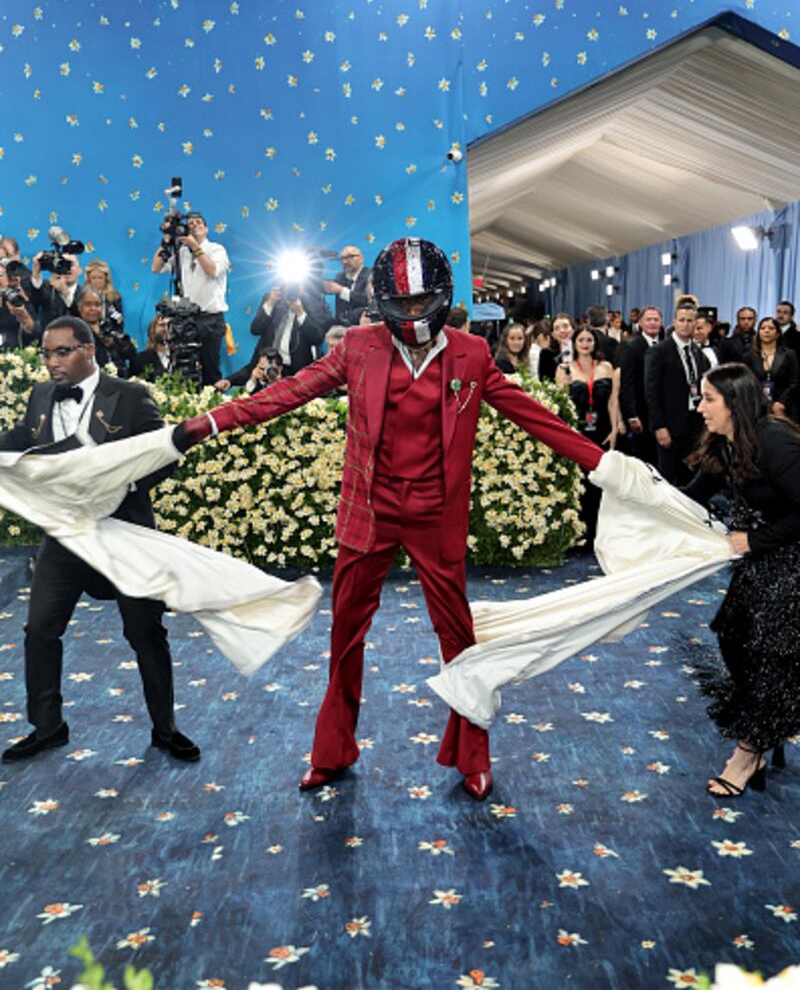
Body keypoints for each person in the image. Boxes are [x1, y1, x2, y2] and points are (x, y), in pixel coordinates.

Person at [174, 238, 603, 801]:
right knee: (345, 636)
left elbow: (532, 416)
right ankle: (331, 752)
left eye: (422, 301)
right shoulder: (358, 346)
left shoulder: (472, 353)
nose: (413, 313)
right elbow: (289, 392)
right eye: (402, 303)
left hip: (435, 513)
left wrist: (607, 466)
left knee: (458, 638)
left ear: (442, 297)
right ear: (383, 301)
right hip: (369, 510)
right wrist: (211, 421)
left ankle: (473, 754)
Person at [0, 316, 199, 765]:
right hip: (66, 535)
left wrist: (121, 484)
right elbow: (22, 439)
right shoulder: (40, 396)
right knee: (39, 631)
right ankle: (47, 727)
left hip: (124, 534)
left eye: (62, 352)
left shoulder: (130, 395)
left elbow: (164, 455)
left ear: (89, 350)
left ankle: (165, 730)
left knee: (145, 633)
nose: (52, 362)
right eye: (47, 354)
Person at [685, 362, 800, 796]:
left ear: (734, 403)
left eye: (708, 399)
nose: (700, 407)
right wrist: (631, 488)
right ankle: (768, 726)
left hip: (791, 555)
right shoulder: (725, 442)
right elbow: (689, 497)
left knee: (769, 647)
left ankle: (749, 752)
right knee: (733, 636)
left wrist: (753, 540)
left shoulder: (774, 438)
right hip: (764, 555)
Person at [555, 325, 619, 542]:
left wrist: (614, 429)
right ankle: (579, 534)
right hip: (578, 432)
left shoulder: (606, 367)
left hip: (602, 430)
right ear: (574, 343)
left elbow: (613, 401)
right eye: (581, 340)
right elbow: (561, 405)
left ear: (595, 343)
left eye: (589, 340)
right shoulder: (564, 369)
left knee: (603, 481)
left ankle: (602, 533)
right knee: (580, 482)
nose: (585, 344)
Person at [151, 211, 230, 385]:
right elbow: (156, 267)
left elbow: (212, 271)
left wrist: (195, 246)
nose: (194, 225)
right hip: (187, 319)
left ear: (206, 229)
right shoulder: (181, 252)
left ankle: (211, 398)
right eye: (190, 224)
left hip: (210, 319)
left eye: (198, 222)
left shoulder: (217, 249)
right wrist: (167, 239)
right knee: (184, 369)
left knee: (210, 370)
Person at [645, 300, 709, 487]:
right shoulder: (658, 351)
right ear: (674, 322)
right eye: (682, 320)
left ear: (696, 323)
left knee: (691, 475)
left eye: (690, 321)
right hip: (669, 425)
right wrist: (659, 426)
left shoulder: (697, 352)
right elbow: (651, 392)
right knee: (667, 477)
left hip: (694, 423)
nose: (685, 325)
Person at [249, 285, 329, 375]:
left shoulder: (312, 303)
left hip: (294, 370)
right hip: (266, 365)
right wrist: (270, 304)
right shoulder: (273, 298)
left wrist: (300, 313)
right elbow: (255, 330)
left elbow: (317, 338)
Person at [618, 304, 663, 464]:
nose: (652, 323)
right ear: (641, 323)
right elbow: (627, 384)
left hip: (662, 414)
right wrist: (632, 415)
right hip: (641, 414)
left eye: (656, 319)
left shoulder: (666, 346)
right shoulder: (631, 348)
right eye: (648, 319)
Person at [75, 287, 136, 378]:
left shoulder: (109, 327)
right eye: (88, 305)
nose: (93, 308)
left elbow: (130, 354)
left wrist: (118, 343)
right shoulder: (75, 332)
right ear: (80, 307)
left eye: (97, 305)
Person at [745, 316, 798, 419]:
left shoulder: (789, 354)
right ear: (758, 332)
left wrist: (781, 402)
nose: (766, 331)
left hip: (784, 406)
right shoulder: (749, 356)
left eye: (771, 328)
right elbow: (746, 382)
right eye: (763, 328)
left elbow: (794, 382)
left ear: (778, 333)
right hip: (757, 405)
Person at [28, 249, 82, 331]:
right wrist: (36, 272)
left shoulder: (85, 293)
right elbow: (36, 297)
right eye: (63, 263)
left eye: (71, 264)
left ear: (80, 270)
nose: (68, 268)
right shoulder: (47, 288)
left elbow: (81, 316)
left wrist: (65, 293)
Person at [323, 245, 371, 328]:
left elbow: (368, 300)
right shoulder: (340, 277)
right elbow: (327, 287)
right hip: (341, 327)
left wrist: (342, 291)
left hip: (361, 327)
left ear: (361, 259)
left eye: (350, 257)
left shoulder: (370, 275)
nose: (345, 261)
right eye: (343, 258)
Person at [0, 261, 38, 348]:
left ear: (7, 279)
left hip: (13, 351)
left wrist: (23, 315)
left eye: (0, 275)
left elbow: (34, 331)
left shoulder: (18, 299)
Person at [83, 258, 124, 323]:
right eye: (93, 278)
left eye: (100, 278)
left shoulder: (114, 296)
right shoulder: (81, 296)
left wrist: (112, 313)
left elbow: (120, 320)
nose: (97, 281)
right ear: (89, 279)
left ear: (106, 279)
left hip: (109, 328)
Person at [133, 315, 172, 381]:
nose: (166, 329)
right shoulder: (140, 359)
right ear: (152, 330)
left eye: (169, 325)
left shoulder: (183, 357)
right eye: (162, 325)